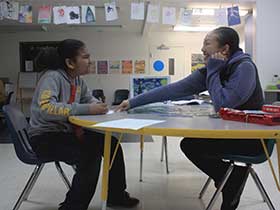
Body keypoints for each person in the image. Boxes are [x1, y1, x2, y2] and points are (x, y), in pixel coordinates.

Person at [116, 27, 265, 210]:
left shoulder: (244, 67)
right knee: (190, 144)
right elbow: (173, 89)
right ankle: (231, 179)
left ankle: (232, 180)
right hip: (232, 134)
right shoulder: (215, 69)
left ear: (224, 49)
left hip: (251, 140)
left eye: (207, 43)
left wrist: (213, 71)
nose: (202, 49)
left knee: (192, 145)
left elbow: (223, 104)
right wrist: (133, 102)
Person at [28, 39, 139, 210]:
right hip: (44, 138)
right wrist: (88, 108)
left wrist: (100, 106)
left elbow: (89, 100)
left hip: (66, 133)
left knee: (112, 144)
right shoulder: (52, 77)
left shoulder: (77, 80)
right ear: (70, 62)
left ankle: (116, 195)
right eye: (85, 57)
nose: (90, 61)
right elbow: (46, 109)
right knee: (89, 156)